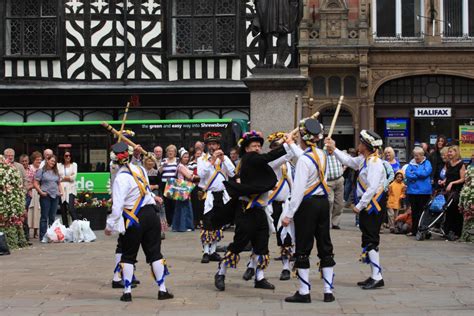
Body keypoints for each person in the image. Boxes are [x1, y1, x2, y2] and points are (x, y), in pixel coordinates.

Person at [214, 130, 293, 292]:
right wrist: (286, 144)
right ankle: (221, 272)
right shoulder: (249, 159)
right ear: (247, 149)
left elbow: (279, 159)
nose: (257, 148)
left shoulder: (259, 163)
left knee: (262, 245)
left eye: (259, 146)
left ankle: (260, 277)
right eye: (253, 146)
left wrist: (292, 145)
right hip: (245, 210)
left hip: (259, 210)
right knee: (239, 243)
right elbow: (269, 157)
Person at [104, 142, 173, 302]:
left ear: (114, 162)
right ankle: (162, 290)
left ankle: (127, 292)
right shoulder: (140, 169)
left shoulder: (120, 178)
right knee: (155, 253)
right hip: (151, 215)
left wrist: (110, 226)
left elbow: (117, 206)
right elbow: (146, 190)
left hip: (133, 219)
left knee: (128, 255)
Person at [281, 119, 336, 303]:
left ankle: (304, 292)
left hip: (307, 205)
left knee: (303, 247)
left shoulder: (305, 159)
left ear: (303, 139)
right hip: (323, 204)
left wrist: (288, 214)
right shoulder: (321, 154)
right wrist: (290, 143)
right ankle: (328, 291)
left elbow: (297, 191)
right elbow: (303, 155)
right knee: (325, 245)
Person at [325, 130, 387, 290]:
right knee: (367, 239)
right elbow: (349, 161)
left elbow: (372, 187)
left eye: (360, 143)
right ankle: (375, 274)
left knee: (371, 239)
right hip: (369, 206)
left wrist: (359, 206)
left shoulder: (374, 163)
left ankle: (377, 276)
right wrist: (334, 148)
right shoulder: (364, 160)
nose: (358, 145)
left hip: (373, 206)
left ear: (366, 146)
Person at [242, 131, 302, 282]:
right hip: (268, 204)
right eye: (275, 146)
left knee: (286, 237)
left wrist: (291, 142)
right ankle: (252, 265)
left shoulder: (290, 164)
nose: (277, 148)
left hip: (285, 205)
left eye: (278, 146)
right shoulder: (269, 162)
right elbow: (286, 155)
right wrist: (289, 143)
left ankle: (286, 268)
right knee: (261, 237)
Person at [197, 132, 235, 263]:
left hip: (222, 195)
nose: (212, 146)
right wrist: (212, 160)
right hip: (209, 196)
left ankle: (213, 251)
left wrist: (224, 160)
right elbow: (202, 174)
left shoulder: (225, 158)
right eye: (210, 144)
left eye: (214, 144)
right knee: (207, 223)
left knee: (218, 223)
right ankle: (206, 252)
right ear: (207, 146)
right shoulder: (202, 159)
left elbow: (232, 172)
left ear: (218, 145)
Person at [34, 155, 64, 242]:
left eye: (54, 162)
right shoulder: (41, 171)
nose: (53, 163)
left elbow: (58, 183)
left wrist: (61, 192)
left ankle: (51, 236)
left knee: (52, 217)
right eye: (51, 161)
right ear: (47, 160)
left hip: (55, 196)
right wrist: (41, 192)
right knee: (44, 217)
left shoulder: (55, 172)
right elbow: (35, 183)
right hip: (45, 196)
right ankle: (43, 237)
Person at [439, 145, 466, 241]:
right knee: (448, 211)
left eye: (451, 152)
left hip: (456, 191)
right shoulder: (448, 164)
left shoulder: (461, 164)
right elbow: (448, 176)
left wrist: (452, 183)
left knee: (455, 211)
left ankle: (456, 232)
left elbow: (462, 178)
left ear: (456, 152)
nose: (449, 153)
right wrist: (444, 181)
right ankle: (447, 231)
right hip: (448, 191)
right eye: (449, 151)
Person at [405, 147, 432, 236]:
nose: (416, 157)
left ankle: (422, 230)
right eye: (415, 155)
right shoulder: (410, 164)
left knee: (422, 212)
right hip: (412, 191)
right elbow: (408, 174)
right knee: (414, 212)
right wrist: (419, 173)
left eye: (418, 155)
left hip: (424, 192)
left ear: (422, 155)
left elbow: (426, 173)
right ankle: (414, 231)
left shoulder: (427, 163)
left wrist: (415, 172)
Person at [172, 148, 198, 232]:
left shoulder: (185, 166)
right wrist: (198, 177)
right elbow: (189, 176)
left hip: (185, 187)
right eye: (184, 157)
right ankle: (184, 226)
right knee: (184, 206)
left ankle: (181, 226)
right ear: (181, 158)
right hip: (182, 187)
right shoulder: (180, 166)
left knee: (183, 206)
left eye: (187, 157)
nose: (186, 158)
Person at [57, 151, 79, 227]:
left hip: (71, 189)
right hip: (62, 189)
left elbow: (73, 178)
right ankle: (66, 227)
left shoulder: (74, 165)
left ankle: (77, 226)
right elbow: (58, 178)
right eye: (66, 156)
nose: (68, 157)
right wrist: (68, 177)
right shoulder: (59, 165)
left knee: (71, 208)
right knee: (63, 210)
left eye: (69, 155)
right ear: (63, 157)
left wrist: (62, 177)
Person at [326, 145, 344, 229]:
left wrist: (343, 169)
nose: (329, 149)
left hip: (339, 180)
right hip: (328, 182)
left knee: (339, 203)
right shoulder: (324, 154)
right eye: (328, 148)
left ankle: (335, 223)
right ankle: (327, 222)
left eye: (331, 148)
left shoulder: (338, 154)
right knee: (330, 201)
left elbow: (347, 161)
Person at [160, 145, 179, 225]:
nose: (170, 152)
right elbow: (159, 172)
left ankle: (174, 221)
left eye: (172, 151)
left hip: (173, 183)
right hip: (164, 183)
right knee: (166, 203)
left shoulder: (177, 160)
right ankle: (168, 221)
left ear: (175, 153)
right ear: (166, 152)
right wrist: (163, 165)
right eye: (169, 151)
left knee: (173, 203)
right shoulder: (164, 160)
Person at [28, 151, 42, 239]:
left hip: (38, 192)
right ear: (33, 160)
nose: (39, 162)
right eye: (37, 160)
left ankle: (36, 232)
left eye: (40, 160)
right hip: (31, 191)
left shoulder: (41, 169)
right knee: (30, 211)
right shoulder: (29, 168)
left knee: (37, 212)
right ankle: (29, 231)